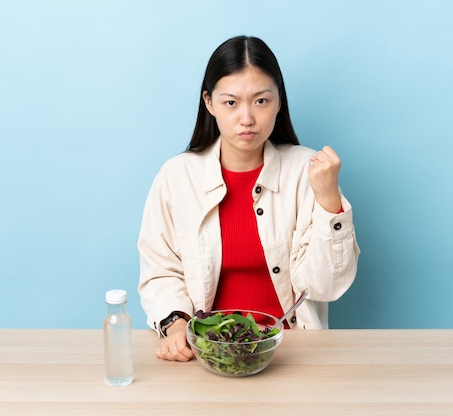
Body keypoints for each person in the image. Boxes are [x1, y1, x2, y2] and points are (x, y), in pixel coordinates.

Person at [138, 35, 360, 362]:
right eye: (231, 102)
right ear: (209, 102)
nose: (247, 118)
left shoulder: (308, 171)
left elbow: (326, 286)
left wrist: (329, 201)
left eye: (260, 101)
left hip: (293, 351)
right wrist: (175, 325)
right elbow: (161, 269)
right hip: (208, 353)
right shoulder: (176, 176)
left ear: (279, 101)